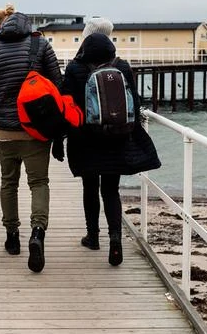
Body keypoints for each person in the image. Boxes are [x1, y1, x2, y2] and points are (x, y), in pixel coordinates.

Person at [0, 3, 63, 273]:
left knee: (8, 182)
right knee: (39, 182)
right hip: (36, 130)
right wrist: (55, 129)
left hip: (3, 130)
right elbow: (58, 87)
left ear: (1, 24)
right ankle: (37, 233)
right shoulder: (41, 46)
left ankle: (12, 237)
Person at [60, 21, 161, 266]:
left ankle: (93, 237)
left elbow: (66, 105)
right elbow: (134, 105)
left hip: (85, 139)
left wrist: (60, 138)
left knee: (90, 188)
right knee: (110, 190)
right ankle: (115, 238)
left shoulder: (75, 68)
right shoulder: (122, 67)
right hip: (117, 138)